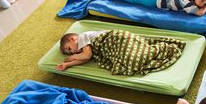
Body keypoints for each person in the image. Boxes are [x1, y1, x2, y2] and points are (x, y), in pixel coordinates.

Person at [56, 29, 186, 75]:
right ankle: (152, 51)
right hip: (112, 48)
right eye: (68, 52)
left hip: (116, 39)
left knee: (133, 57)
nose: (71, 51)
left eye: (69, 48)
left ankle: (157, 49)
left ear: (73, 38)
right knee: (131, 61)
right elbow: (85, 58)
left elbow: (87, 55)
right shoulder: (83, 49)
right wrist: (68, 65)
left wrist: (73, 56)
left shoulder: (83, 37)